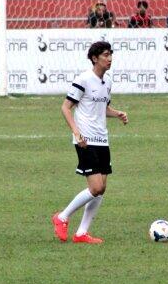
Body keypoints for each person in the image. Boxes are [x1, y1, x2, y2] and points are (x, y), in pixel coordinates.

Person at [52, 41, 129, 244]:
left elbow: (102, 108)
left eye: (111, 54)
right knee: (95, 188)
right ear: (95, 58)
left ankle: (81, 233)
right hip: (85, 139)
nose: (110, 58)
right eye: (105, 55)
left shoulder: (108, 81)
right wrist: (77, 133)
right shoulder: (84, 79)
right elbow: (66, 107)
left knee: (101, 188)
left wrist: (117, 113)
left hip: (102, 139)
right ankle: (62, 217)